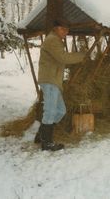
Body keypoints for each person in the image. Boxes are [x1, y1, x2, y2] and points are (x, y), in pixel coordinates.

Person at [34, 20, 84, 151]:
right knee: (50, 110)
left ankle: (41, 134)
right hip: (50, 80)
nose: (66, 32)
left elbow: (59, 59)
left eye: (67, 30)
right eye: (64, 29)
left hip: (54, 80)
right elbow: (63, 58)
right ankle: (47, 142)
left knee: (60, 111)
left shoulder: (55, 40)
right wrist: (81, 56)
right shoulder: (52, 40)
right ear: (56, 28)